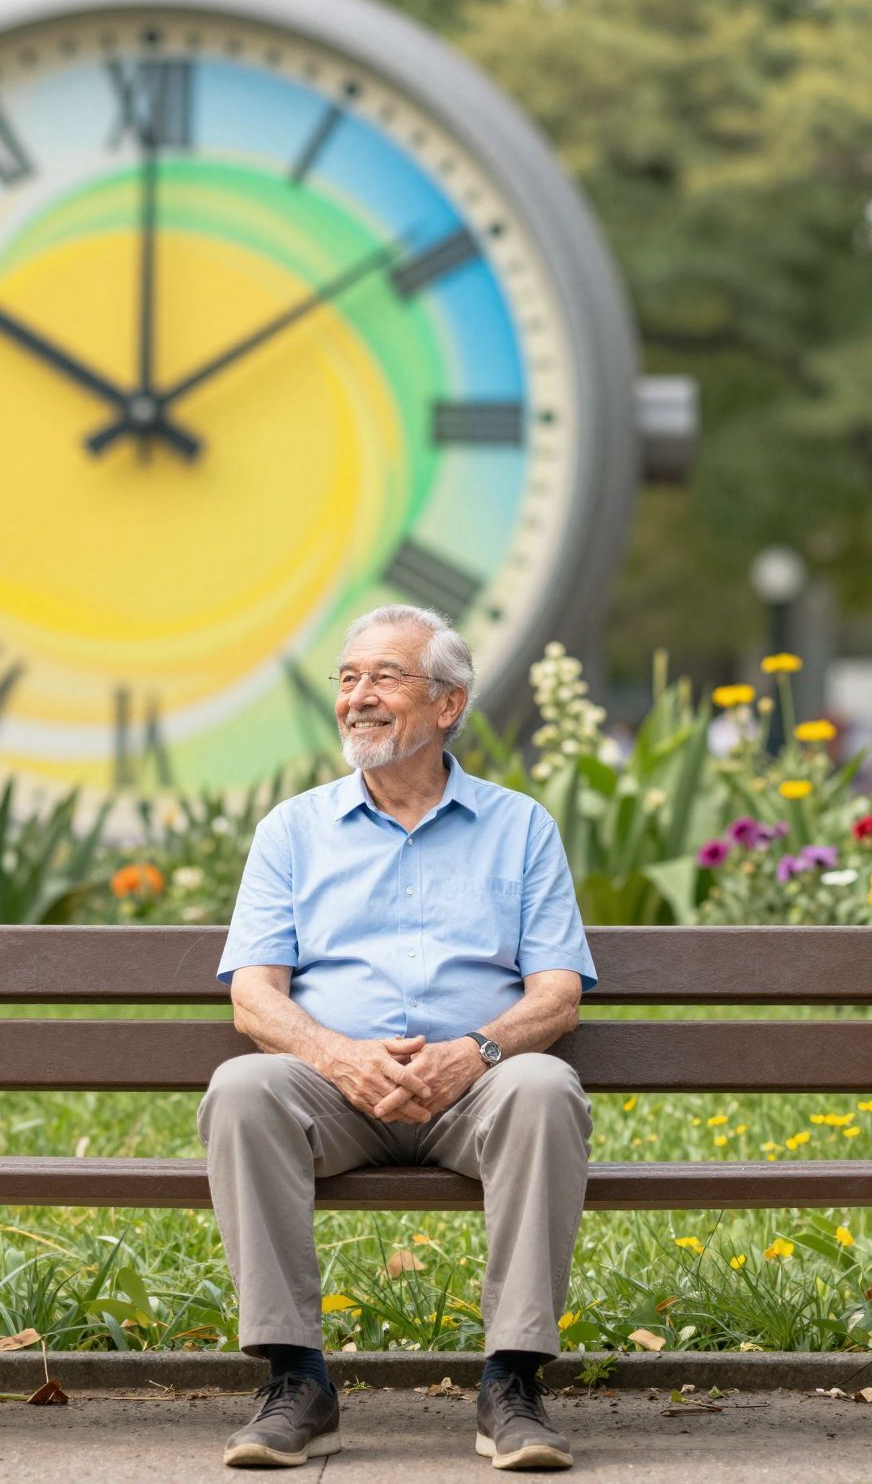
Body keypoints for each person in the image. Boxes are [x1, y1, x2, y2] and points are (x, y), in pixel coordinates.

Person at [203, 604, 594, 1472]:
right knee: (242, 1088)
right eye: (347, 679)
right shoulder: (292, 831)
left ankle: (513, 1384)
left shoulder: (520, 826)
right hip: (334, 1090)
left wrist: (475, 1053)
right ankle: (297, 1380)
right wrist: (337, 1055)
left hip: (478, 1091)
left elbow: (558, 996)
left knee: (544, 1088)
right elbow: (255, 1001)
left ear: (448, 704)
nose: (358, 698)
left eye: (383, 677)